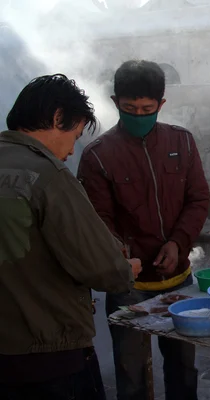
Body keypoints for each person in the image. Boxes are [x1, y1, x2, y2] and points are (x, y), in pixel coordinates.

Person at [0, 74, 140, 400]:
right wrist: (125, 269)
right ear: (57, 117)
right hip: (47, 355)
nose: (71, 150)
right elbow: (101, 267)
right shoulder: (49, 176)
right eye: (74, 135)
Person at [77, 60, 210, 400]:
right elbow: (98, 220)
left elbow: (197, 200)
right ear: (115, 102)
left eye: (147, 109)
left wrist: (179, 243)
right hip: (128, 287)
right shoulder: (98, 156)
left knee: (183, 369)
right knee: (130, 374)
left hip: (178, 280)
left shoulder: (182, 142)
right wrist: (123, 255)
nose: (139, 115)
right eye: (130, 109)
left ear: (161, 105)